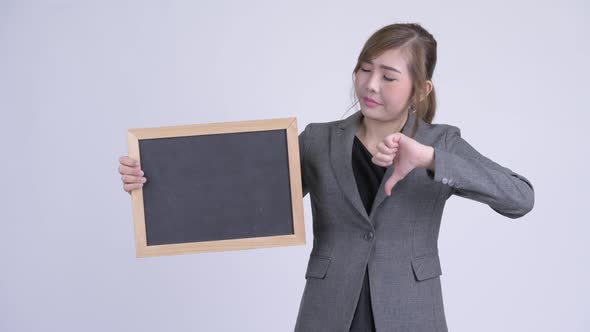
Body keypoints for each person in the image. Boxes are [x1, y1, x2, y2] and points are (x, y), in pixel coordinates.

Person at [118, 23, 535, 332]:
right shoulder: (319, 140)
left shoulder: (440, 142)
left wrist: (429, 158)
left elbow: (520, 197)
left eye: (389, 77)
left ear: (421, 90)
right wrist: (154, 182)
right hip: (329, 309)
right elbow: (242, 197)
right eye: (364, 69)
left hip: (413, 312)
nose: (370, 85)